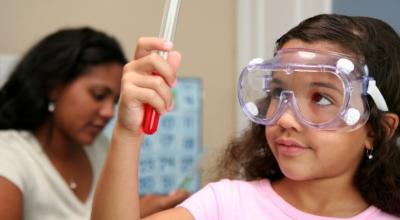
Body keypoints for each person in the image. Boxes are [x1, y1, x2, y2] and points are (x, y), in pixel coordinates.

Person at [91, 14, 400, 219]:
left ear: (378, 131)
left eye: (321, 97)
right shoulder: (225, 205)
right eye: (279, 92)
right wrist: (127, 134)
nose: (286, 119)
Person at [0, 27, 189, 220]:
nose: (109, 112)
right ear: (54, 88)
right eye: (98, 95)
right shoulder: (8, 156)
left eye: (115, 101)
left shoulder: (101, 150)